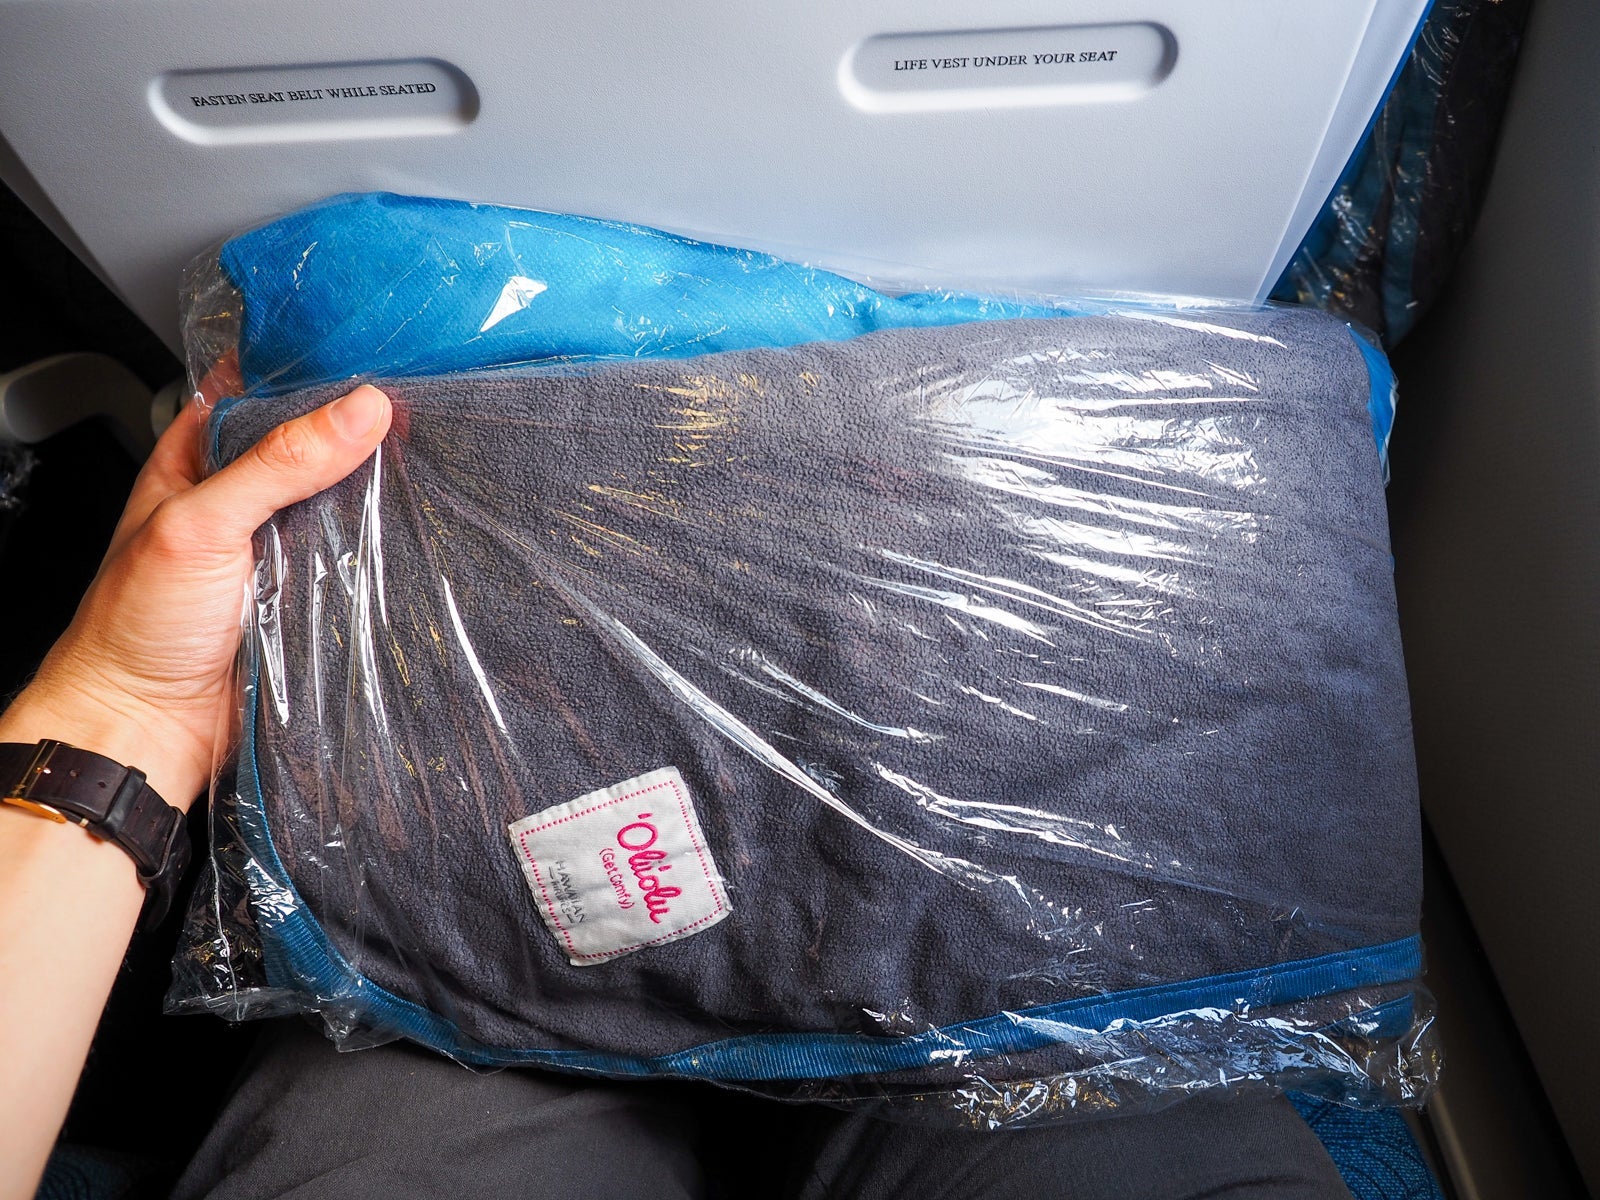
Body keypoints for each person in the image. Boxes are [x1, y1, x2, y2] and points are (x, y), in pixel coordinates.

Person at [0, 387, 1357, 1200]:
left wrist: (119, 704)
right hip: (1026, 963)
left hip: (458, 973)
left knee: (419, 1095)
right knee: (1108, 1089)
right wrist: (126, 701)